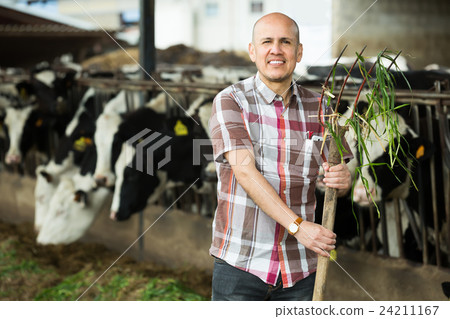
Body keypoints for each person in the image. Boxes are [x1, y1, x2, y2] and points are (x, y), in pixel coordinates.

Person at [208, 12, 352, 301]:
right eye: (267, 42)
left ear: (298, 52)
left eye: (285, 42)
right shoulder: (231, 100)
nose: (276, 49)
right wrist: (298, 227)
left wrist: (343, 179)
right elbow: (245, 172)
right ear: (253, 51)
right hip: (241, 264)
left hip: (301, 268)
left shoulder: (321, 106)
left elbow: (335, 174)